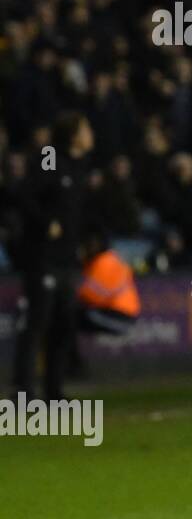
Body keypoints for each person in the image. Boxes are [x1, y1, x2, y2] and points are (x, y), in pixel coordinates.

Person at [11, 111, 94, 401]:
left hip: (67, 259)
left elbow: (76, 211)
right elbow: (25, 195)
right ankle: (23, 392)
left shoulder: (78, 166)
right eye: (85, 129)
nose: (90, 135)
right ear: (73, 135)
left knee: (63, 326)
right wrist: (47, 222)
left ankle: (54, 392)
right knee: (37, 324)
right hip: (43, 257)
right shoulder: (50, 157)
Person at [77, 227, 140, 337]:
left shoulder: (106, 261)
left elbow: (94, 295)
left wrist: (73, 295)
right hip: (112, 311)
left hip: (121, 314)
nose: (89, 246)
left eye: (92, 243)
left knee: (77, 316)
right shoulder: (97, 261)